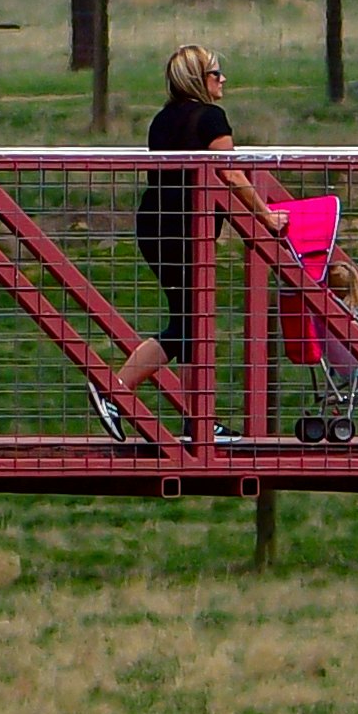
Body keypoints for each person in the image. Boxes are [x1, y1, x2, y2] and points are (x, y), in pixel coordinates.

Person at [98, 42, 243, 437]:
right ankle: (114, 391)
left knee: (190, 321)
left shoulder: (162, 120)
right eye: (216, 73)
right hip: (184, 230)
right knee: (189, 322)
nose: (223, 79)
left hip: (156, 225)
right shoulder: (211, 118)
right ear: (199, 79)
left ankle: (199, 420)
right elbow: (231, 174)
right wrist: (265, 214)